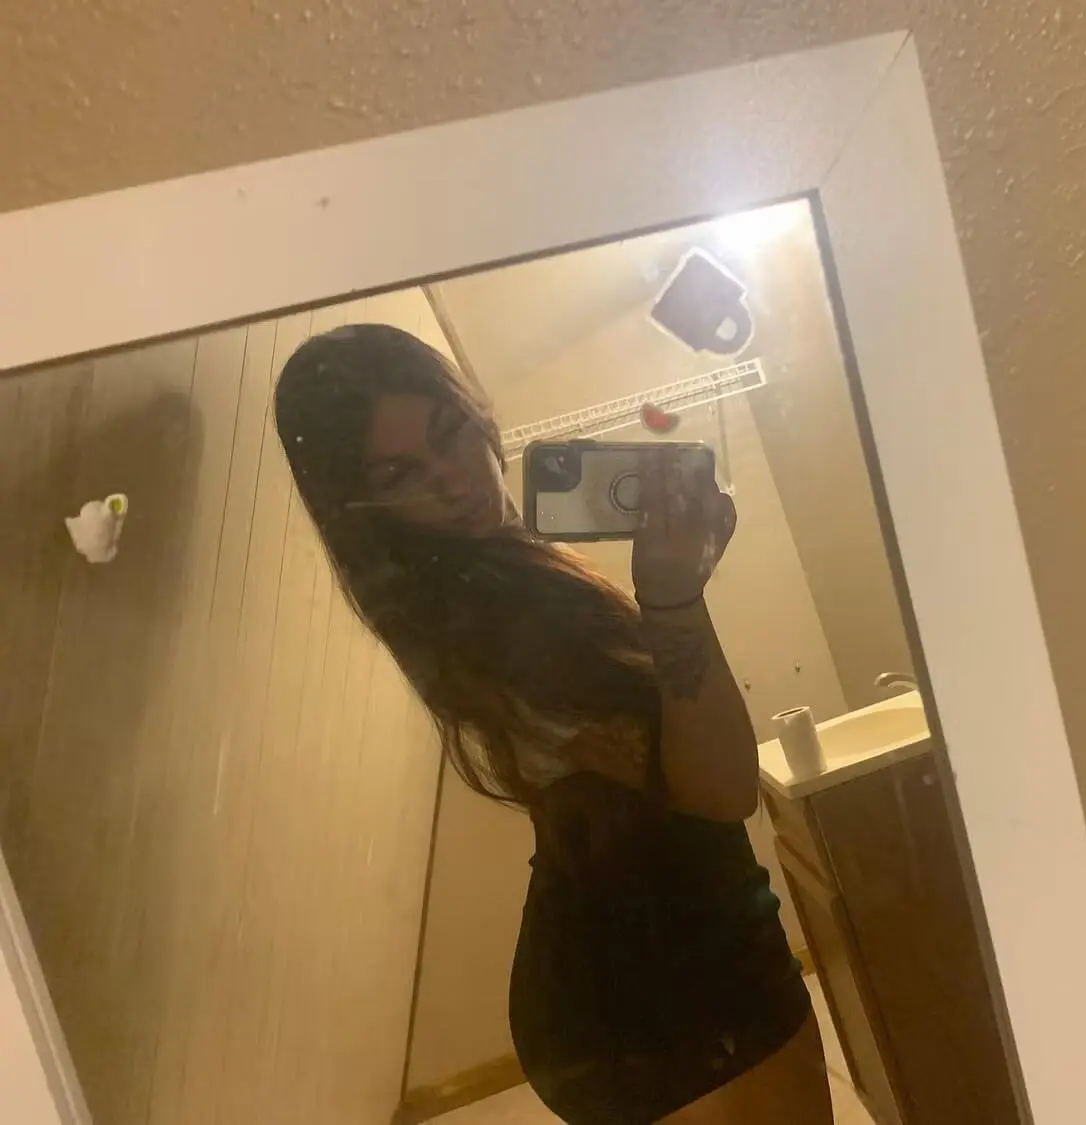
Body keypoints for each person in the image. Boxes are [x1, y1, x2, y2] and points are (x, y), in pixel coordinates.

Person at [274, 324, 833, 1125]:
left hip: (652, 960)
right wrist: (673, 598)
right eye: (401, 473)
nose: (454, 480)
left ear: (476, 411)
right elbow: (720, 792)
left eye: (450, 433)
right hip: (660, 989)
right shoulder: (477, 618)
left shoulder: (501, 568)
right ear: (360, 505)